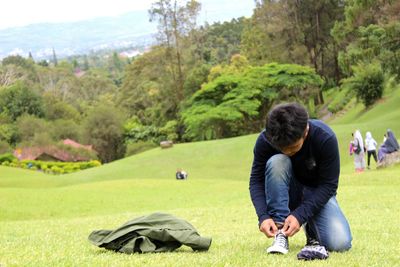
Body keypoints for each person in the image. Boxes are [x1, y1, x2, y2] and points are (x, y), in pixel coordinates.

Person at [249, 103, 352, 260]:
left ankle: (312, 230)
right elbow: (256, 181)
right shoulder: (265, 140)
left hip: (316, 194)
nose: (287, 152)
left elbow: (328, 185)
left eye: (293, 148)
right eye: (283, 148)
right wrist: (263, 216)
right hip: (286, 193)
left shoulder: (325, 137)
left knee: (340, 242)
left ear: (305, 131)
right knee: (278, 161)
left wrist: (300, 215)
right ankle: (281, 234)